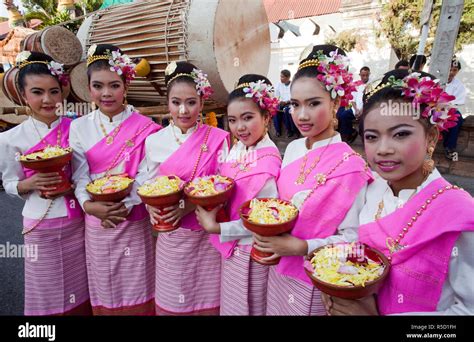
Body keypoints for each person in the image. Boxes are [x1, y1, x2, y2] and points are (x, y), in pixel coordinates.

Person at [323, 69, 474, 315]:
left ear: (431, 137)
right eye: (372, 137)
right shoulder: (371, 188)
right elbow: (353, 249)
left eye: (401, 134)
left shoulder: (459, 214)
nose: (383, 149)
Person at [253, 44, 373, 315]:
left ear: (336, 104)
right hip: (279, 267)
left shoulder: (352, 166)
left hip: (316, 277)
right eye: (295, 104)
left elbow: (354, 240)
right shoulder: (294, 148)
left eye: (314, 103)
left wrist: (303, 246)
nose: (302, 115)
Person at [70, 44, 161, 315]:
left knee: (138, 285)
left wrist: (126, 203)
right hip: (97, 219)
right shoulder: (79, 126)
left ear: (126, 86)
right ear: (89, 89)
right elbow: (79, 174)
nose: (106, 93)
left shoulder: (146, 127)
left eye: (114, 85)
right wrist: (88, 205)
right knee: (105, 285)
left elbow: (148, 174)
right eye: (98, 86)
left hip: (132, 217)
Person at [0, 51, 91, 315]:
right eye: (38, 92)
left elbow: (86, 174)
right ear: (22, 94)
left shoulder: (77, 128)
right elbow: (9, 183)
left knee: (80, 288)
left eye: (54, 91)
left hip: (78, 222)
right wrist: (29, 185)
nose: (48, 100)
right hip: (41, 224)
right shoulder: (10, 139)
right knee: (46, 291)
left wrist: (71, 187)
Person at [141, 61, 229, 315]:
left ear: (202, 103)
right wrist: (152, 209)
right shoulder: (154, 141)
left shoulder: (219, 139)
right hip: (171, 234)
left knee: (207, 300)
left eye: (191, 102)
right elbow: (149, 184)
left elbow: (224, 185)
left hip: (207, 234)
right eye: (176, 102)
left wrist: (187, 206)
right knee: (173, 298)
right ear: (167, 103)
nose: (183, 110)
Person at [195, 74, 282, 315]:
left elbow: (265, 221)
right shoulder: (237, 148)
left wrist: (218, 228)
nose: (239, 127)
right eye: (232, 120)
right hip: (232, 248)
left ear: (266, 117)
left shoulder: (268, 159)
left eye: (248, 118)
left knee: (249, 307)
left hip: (251, 249)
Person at [337, 66, 370, 143]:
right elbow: (353, 99)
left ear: (369, 74)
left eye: (366, 75)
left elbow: (369, 100)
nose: (365, 77)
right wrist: (356, 109)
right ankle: (347, 135)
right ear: (360, 75)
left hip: (365, 110)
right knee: (343, 116)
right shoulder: (356, 84)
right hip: (355, 109)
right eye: (363, 75)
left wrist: (362, 110)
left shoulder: (371, 85)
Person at [442, 57, 467, 160]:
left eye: (454, 70)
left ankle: (449, 147)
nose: (451, 72)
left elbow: (457, 102)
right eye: (450, 69)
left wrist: (447, 106)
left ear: (458, 71)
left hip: (449, 108)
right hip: (433, 107)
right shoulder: (437, 79)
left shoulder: (459, 86)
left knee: (457, 119)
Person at [273, 69, 298, 137]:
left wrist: (287, 102)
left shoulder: (293, 84)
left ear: (288, 77)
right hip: (282, 103)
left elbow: (295, 96)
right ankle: (278, 131)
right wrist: (279, 102)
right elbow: (276, 96)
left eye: (283, 77)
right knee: (275, 110)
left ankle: (291, 131)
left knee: (287, 110)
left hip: (291, 103)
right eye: (280, 76)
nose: (281, 78)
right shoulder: (279, 84)